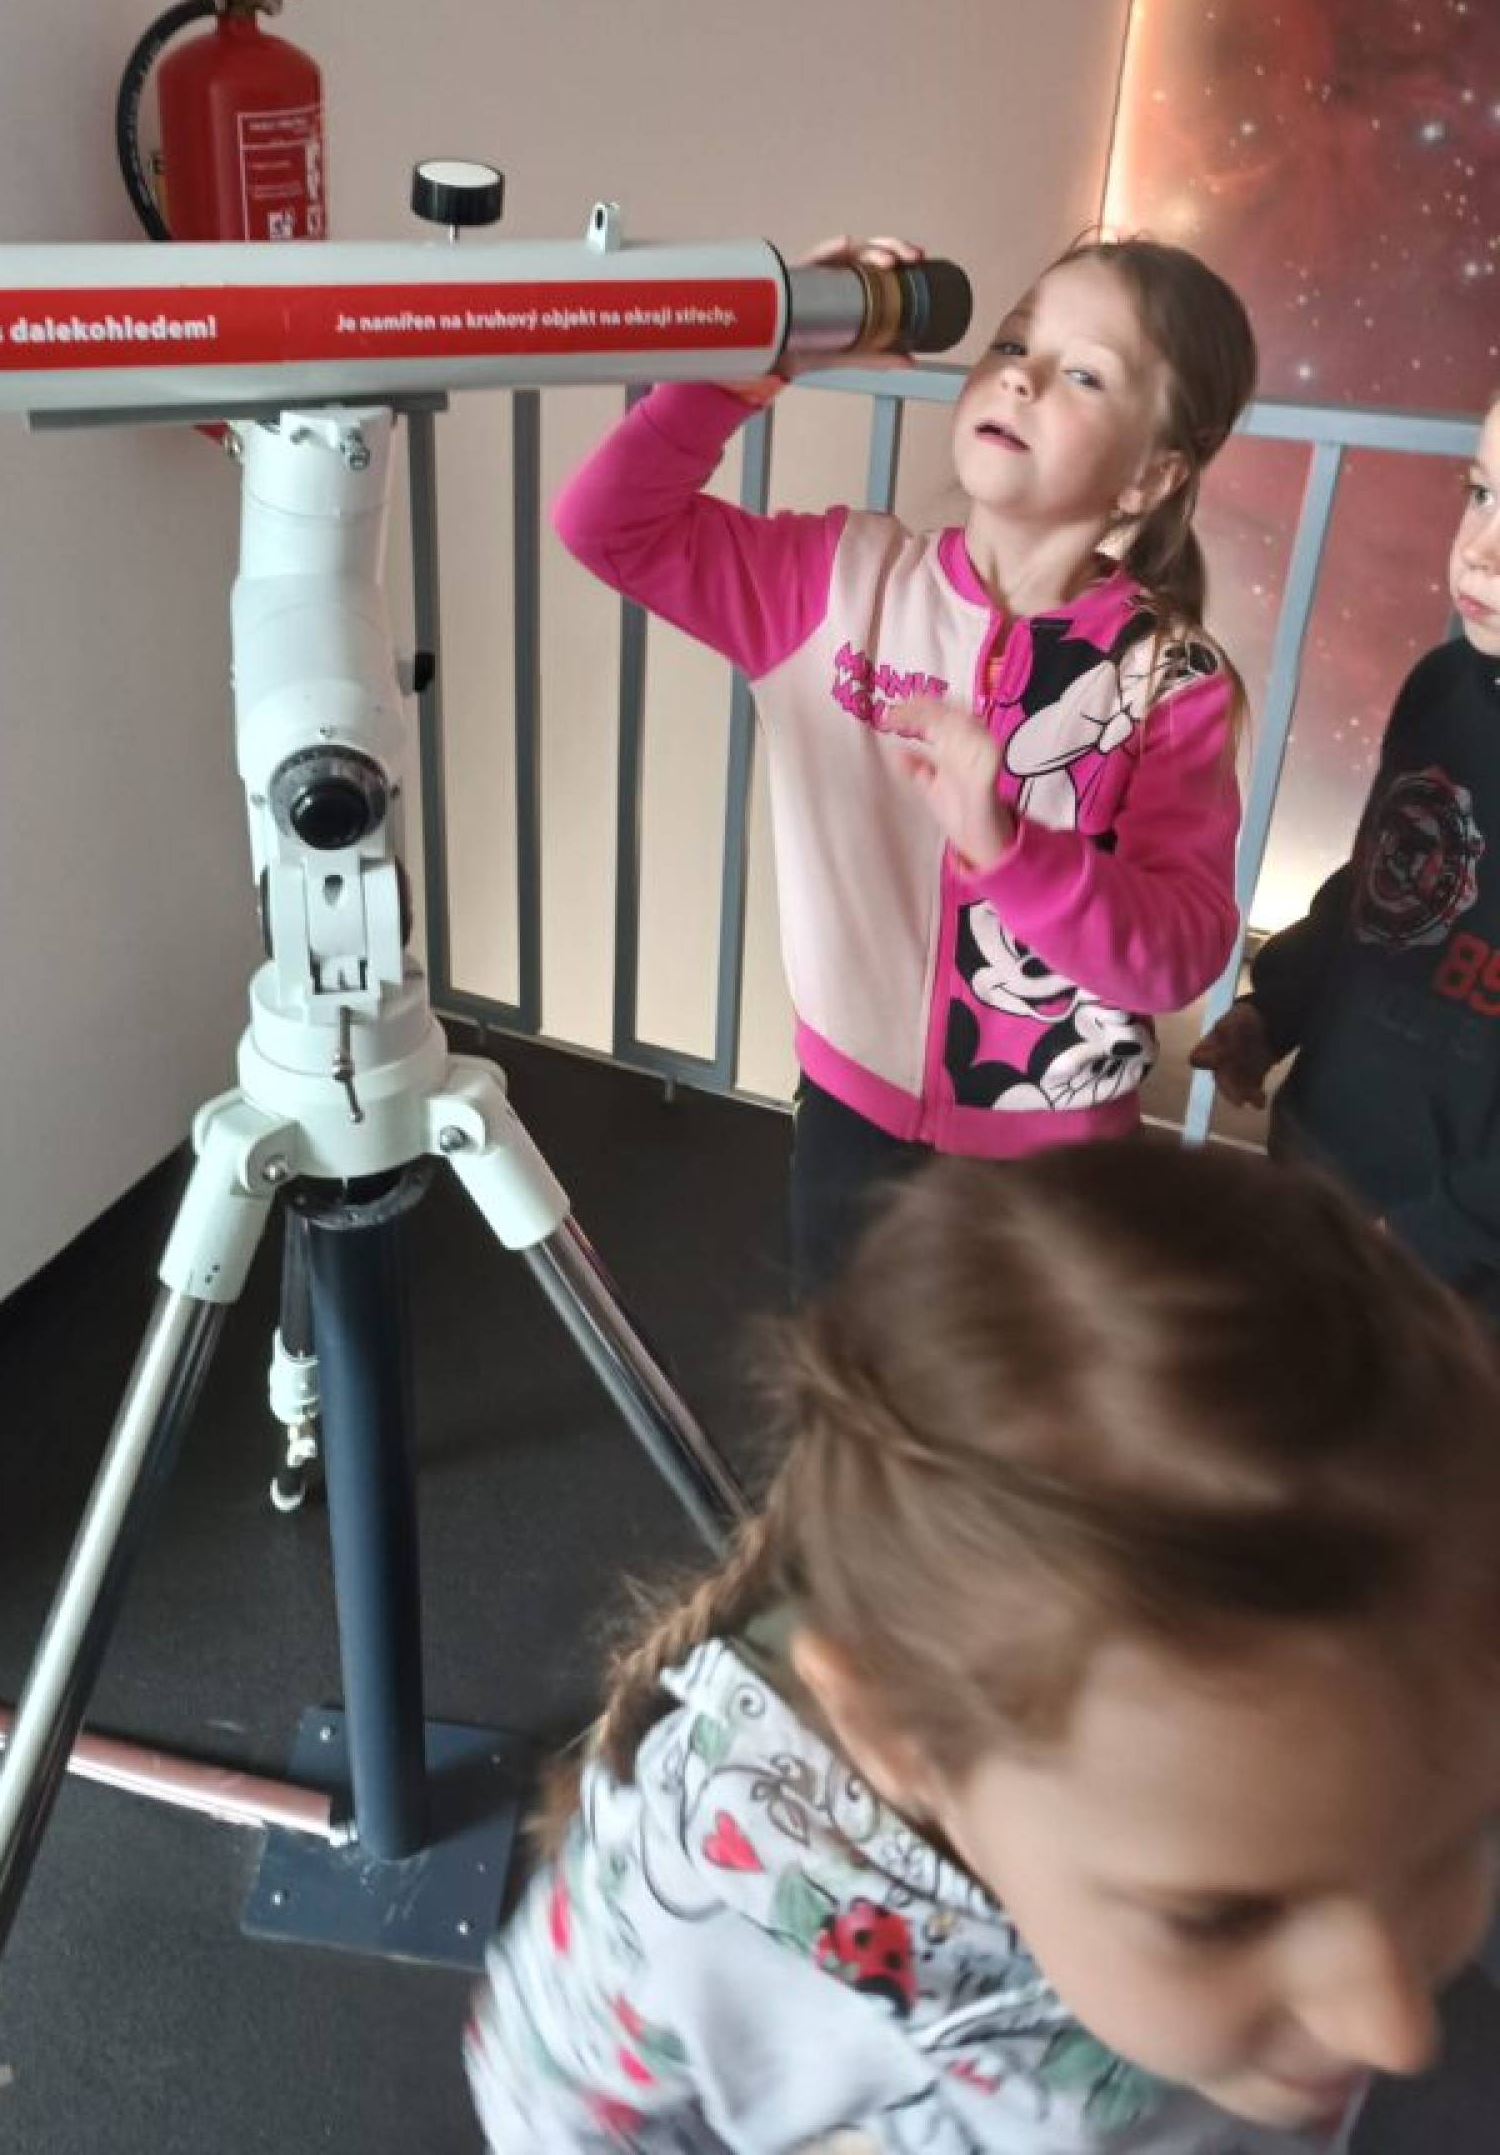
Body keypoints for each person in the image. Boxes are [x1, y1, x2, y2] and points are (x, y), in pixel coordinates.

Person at [466, 1140, 1500, 2151]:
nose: (1396, 2030)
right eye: (1217, 1918)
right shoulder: (703, 1884)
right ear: (900, 1738)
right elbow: (547, 2102)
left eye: (1454, 1841)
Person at [553, 236, 1255, 1292]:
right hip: (850, 1124)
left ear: (1150, 477)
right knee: (843, 1378)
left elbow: (1178, 955)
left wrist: (1011, 851)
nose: (1020, 376)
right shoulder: (835, 582)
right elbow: (605, 524)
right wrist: (761, 359)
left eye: (1082, 373)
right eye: (1014, 343)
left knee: (1009, 1403)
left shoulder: (1171, 682)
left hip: (1059, 1172)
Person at [1190, 395, 1500, 1318]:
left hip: (1462, 1271)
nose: (1480, 549)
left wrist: (1436, 1239)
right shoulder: (1442, 686)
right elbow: (1374, 887)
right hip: (1320, 1160)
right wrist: (1276, 1007)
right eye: (1482, 493)